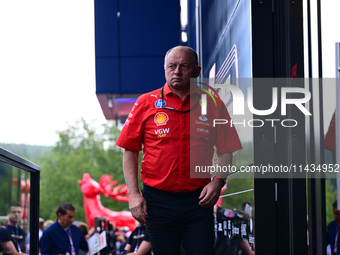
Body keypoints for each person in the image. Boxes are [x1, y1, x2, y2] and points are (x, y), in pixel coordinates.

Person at [116, 46, 242, 255]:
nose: (177, 72)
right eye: (171, 67)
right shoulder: (146, 103)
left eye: (184, 66)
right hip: (158, 201)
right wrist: (133, 194)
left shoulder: (212, 103)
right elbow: (129, 150)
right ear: (165, 70)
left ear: (197, 71)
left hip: (199, 200)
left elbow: (226, 150)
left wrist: (217, 181)